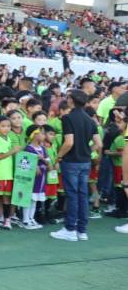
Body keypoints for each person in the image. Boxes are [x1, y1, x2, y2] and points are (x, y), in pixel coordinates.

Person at [51, 89, 101, 241]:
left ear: (71, 100)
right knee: (82, 195)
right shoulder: (90, 120)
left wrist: (58, 156)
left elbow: (69, 142)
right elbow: (99, 143)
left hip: (71, 161)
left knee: (72, 195)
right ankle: (82, 230)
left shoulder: (68, 118)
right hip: (85, 162)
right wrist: (86, 150)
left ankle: (70, 228)